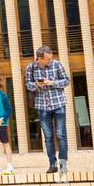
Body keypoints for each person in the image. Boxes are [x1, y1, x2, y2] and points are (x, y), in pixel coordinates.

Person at [25, 46, 69, 175]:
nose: (50, 61)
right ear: (39, 58)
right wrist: (37, 85)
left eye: (50, 58)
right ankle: (52, 164)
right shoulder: (31, 68)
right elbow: (28, 85)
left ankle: (63, 164)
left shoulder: (57, 65)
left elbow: (66, 81)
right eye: (47, 59)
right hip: (42, 105)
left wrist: (52, 83)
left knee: (61, 135)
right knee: (48, 137)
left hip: (59, 103)